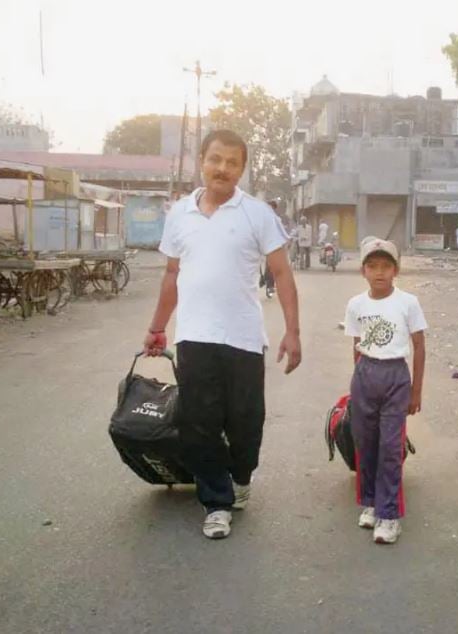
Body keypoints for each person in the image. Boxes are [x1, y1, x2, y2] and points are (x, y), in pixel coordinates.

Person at [145, 129, 302, 540]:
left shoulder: (257, 214)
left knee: (247, 422)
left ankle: (241, 475)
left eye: (233, 162)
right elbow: (171, 274)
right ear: (202, 160)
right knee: (199, 423)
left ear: (242, 169)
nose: (223, 169)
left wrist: (293, 331)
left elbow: (282, 273)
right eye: (216, 159)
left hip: (244, 338)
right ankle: (216, 502)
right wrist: (158, 327)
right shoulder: (180, 213)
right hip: (195, 336)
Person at [343, 237, 427, 545]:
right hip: (366, 374)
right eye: (372, 266)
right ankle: (370, 502)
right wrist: (359, 380)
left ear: (396, 270)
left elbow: (419, 347)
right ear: (363, 271)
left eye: (386, 266)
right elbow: (356, 345)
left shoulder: (408, 303)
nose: (379, 272)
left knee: (391, 448)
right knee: (366, 443)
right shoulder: (356, 305)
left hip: (396, 376)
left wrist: (415, 391)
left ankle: (389, 515)